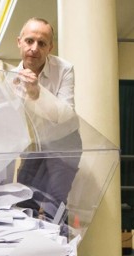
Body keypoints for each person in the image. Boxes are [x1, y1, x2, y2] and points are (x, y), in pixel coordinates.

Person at [12, 17, 80, 224]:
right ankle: (27, 249)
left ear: (50, 47)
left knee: (54, 203)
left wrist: (35, 93)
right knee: (24, 198)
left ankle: (60, 253)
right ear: (19, 42)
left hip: (65, 141)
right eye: (29, 41)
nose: (34, 48)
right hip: (34, 144)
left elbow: (66, 114)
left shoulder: (64, 69)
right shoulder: (10, 77)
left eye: (42, 43)